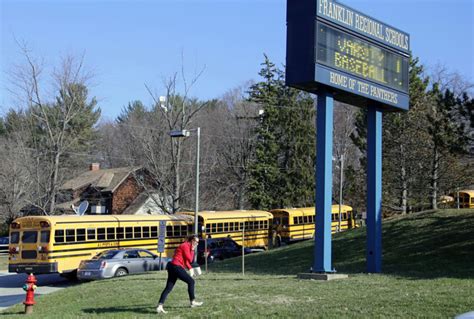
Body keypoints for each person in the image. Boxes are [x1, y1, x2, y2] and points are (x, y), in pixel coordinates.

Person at [156, 235, 203, 314]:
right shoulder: (185, 246)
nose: (197, 243)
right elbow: (190, 259)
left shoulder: (187, 246)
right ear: (192, 241)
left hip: (172, 266)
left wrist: (190, 268)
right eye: (196, 241)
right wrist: (192, 250)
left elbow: (186, 261)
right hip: (176, 266)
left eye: (198, 242)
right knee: (191, 282)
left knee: (168, 287)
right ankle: (193, 302)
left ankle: (160, 306)